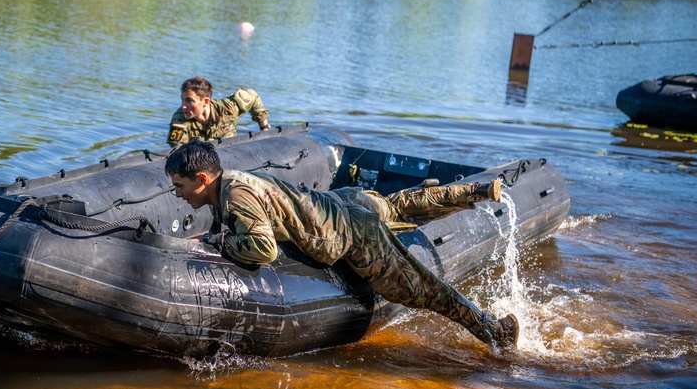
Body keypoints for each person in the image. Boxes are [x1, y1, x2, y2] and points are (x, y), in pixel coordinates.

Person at [164, 140, 518, 348]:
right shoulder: (234, 182)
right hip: (345, 201)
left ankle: (494, 330)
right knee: (397, 206)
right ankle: (474, 191)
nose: (178, 195)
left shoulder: (236, 196)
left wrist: (216, 239)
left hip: (351, 231)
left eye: (180, 186)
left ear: (202, 178)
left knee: (424, 289)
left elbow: (263, 248)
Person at [167, 77, 270, 147]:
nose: (183, 106)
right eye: (182, 100)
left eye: (189, 101)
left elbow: (252, 96)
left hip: (230, 151)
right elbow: (178, 149)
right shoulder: (179, 121)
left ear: (206, 101)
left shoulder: (227, 109)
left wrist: (264, 127)